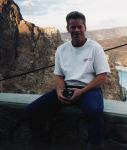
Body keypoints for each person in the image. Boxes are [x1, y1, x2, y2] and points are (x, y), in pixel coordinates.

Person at [25, 11, 110, 150]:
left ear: (85, 28)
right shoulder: (61, 50)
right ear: (68, 29)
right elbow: (59, 75)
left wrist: (82, 91)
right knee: (32, 110)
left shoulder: (95, 48)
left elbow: (102, 77)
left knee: (94, 111)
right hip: (67, 88)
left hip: (89, 89)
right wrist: (59, 91)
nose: (76, 30)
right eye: (73, 27)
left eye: (79, 27)